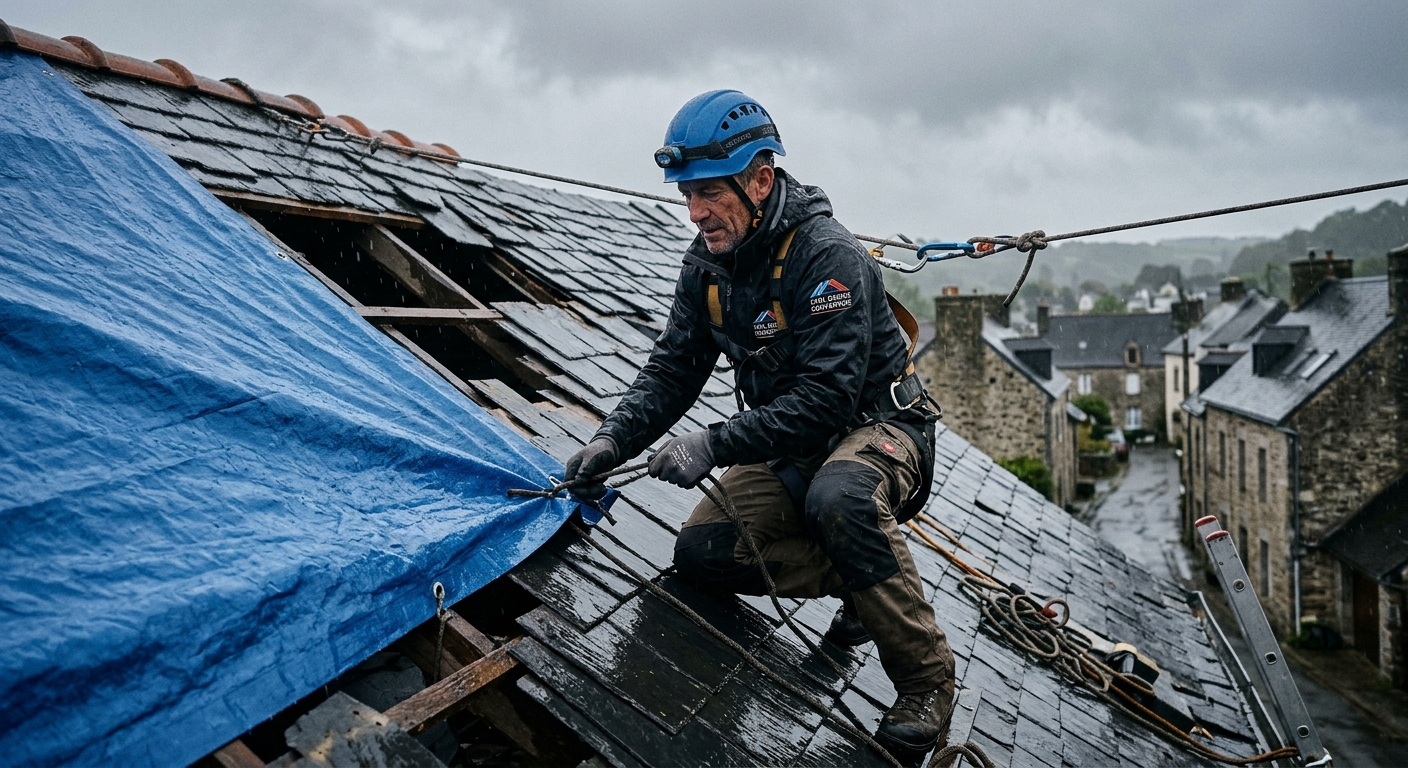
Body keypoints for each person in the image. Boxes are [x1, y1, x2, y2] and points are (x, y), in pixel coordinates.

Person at [563, 89, 956, 760]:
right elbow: (673, 369)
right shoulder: (707, 265)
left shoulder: (826, 257)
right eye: (686, 194)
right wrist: (612, 438)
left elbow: (828, 399)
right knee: (701, 555)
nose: (695, 212)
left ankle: (926, 680)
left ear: (760, 180)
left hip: (880, 434)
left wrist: (712, 445)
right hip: (797, 450)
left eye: (710, 193)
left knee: (843, 497)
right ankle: (865, 585)